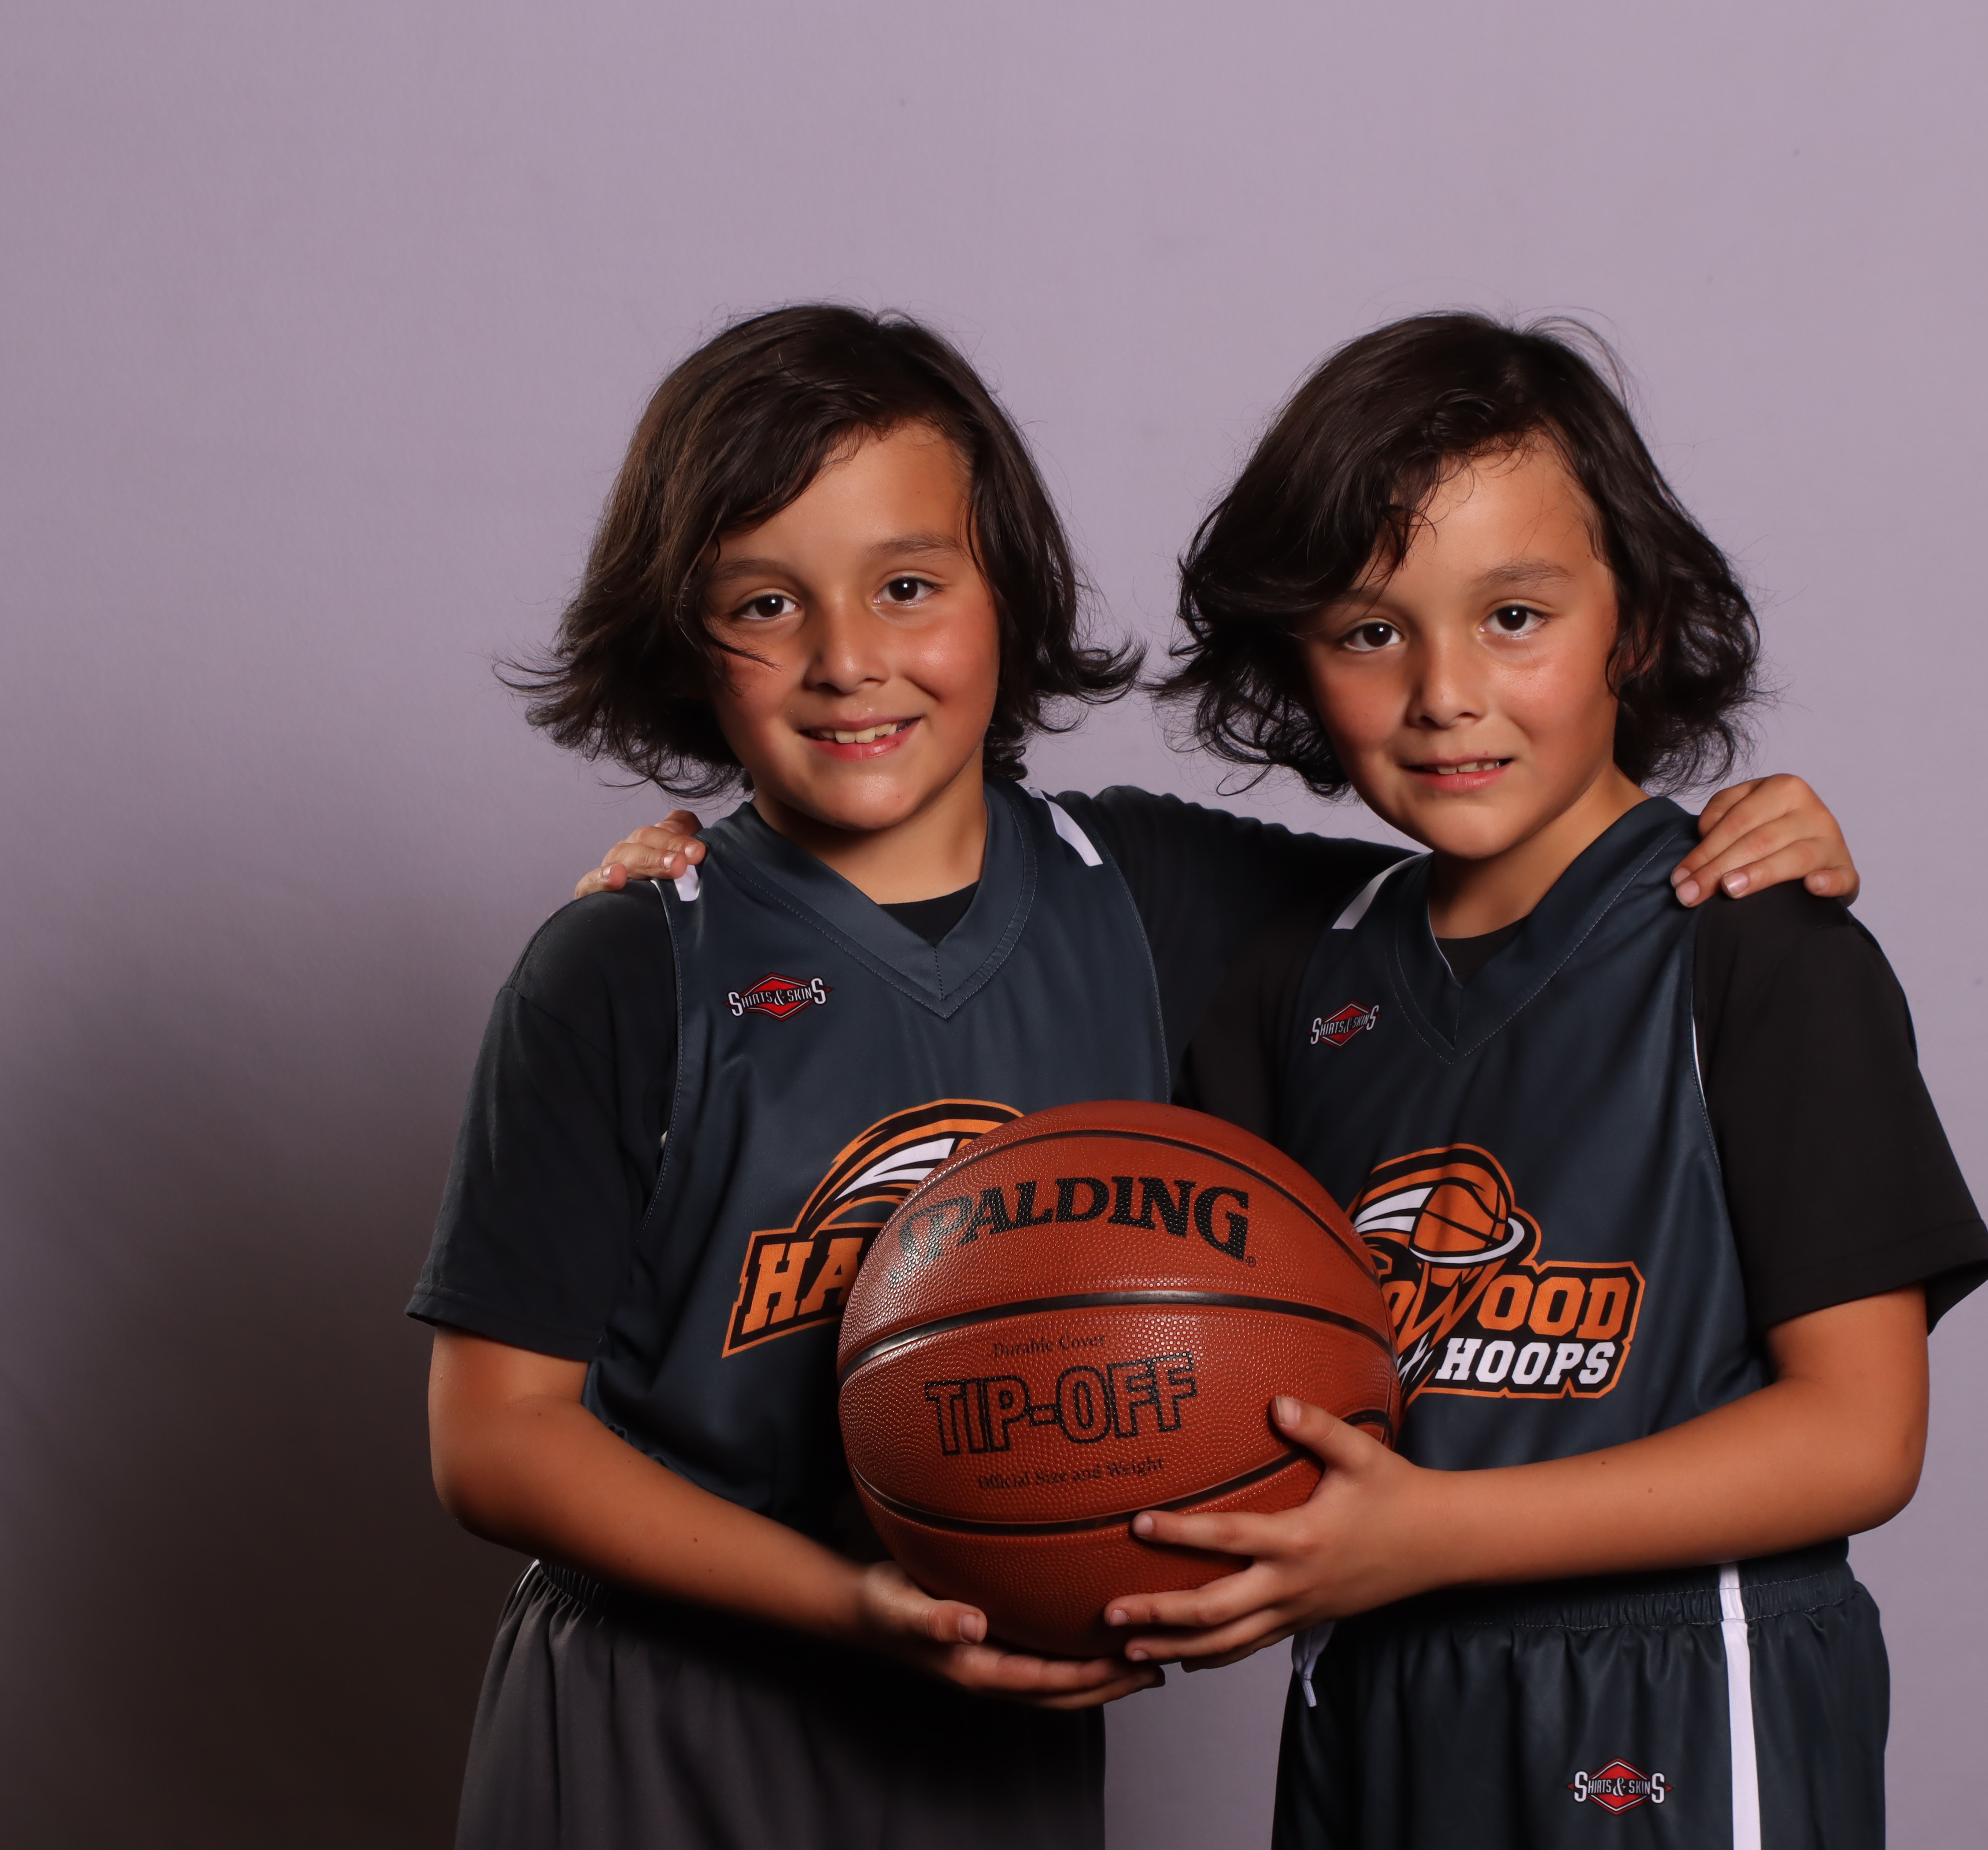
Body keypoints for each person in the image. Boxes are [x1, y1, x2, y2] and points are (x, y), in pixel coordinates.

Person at [417, 304, 1864, 1850]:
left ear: (1007, 588)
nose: (848, 661)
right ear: (682, 634)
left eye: (907, 585)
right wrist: (848, 1602)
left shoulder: (1155, 900)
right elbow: (496, 1439)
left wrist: (1725, 837)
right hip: (659, 1717)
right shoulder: (631, 961)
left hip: (995, 1736)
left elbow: (1512, 892)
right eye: (765, 604)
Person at [1099, 313, 1988, 1850]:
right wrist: (686, 879)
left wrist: (1433, 1532)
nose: (1446, 690)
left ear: (1633, 623)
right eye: (1370, 633)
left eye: (1514, 616)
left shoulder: (1756, 949)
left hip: (1676, 1687)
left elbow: (1862, 1438)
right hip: (1373, 1691)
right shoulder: (1295, 976)